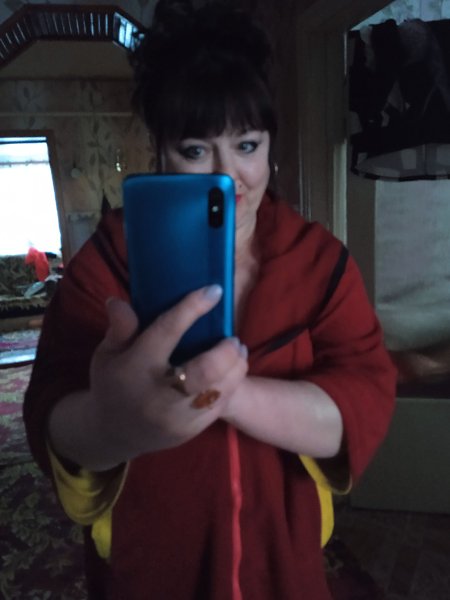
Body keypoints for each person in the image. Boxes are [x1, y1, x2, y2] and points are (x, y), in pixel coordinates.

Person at [23, 1, 397, 598]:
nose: (230, 179)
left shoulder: (318, 262)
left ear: (271, 145)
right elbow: (50, 413)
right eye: (196, 151)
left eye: (246, 145)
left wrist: (226, 395)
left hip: (283, 567)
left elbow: (365, 398)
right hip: (149, 569)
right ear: (160, 150)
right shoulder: (106, 266)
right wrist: (113, 424)